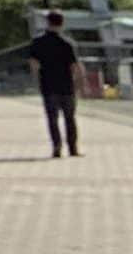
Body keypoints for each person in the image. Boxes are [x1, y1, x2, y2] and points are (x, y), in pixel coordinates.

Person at [33, 9, 83, 158]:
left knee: (52, 118)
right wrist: (78, 83)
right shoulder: (67, 43)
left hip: (48, 84)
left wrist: (38, 79)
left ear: (47, 22)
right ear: (62, 23)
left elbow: (34, 64)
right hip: (66, 85)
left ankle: (57, 146)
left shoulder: (38, 42)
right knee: (70, 118)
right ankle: (73, 148)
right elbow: (74, 66)